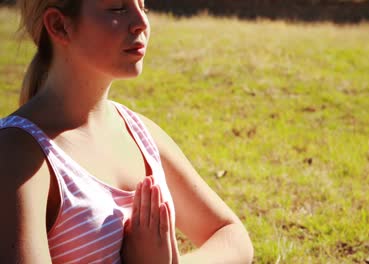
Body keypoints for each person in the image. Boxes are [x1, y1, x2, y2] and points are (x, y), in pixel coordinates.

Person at [0, 0, 254, 263]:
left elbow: (232, 236)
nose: (142, 23)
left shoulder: (139, 133)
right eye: (118, 9)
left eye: (143, 6)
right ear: (59, 25)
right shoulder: (16, 155)